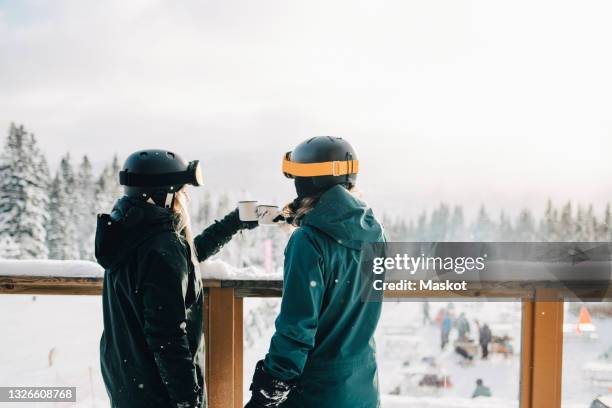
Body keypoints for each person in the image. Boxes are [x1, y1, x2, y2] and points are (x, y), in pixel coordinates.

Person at [95, 149, 257, 408]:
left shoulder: (127, 230)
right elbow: (167, 337)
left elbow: (185, 258)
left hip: (129, 383)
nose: (185, 197)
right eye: (181, 191)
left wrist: (232, 224)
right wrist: (188, 402)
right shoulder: (160, 248)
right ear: (164, 195)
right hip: (158, 393)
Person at [244, 136, 385, 408]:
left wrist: (272, 383)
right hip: (362, 385)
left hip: (317, 390)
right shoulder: (375, 232)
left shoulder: (307, 241)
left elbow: (297, 326)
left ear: (308, 180)